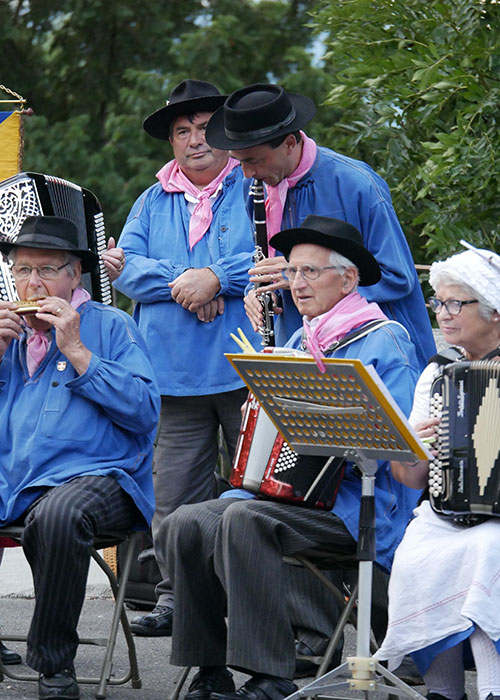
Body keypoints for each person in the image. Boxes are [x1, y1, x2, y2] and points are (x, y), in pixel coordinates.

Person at [157, 215, 422, 700]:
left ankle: (271, 675)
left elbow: (405, 453)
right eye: (293, 272)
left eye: (310, 273)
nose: (296, 284)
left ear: (348, 278)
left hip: (357, 507)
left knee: (244, 518)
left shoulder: (385, 340)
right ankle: (209, 668)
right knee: (185, 521)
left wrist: (342, 423)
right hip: (296, 502)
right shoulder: (301, 340)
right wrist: (265, 410)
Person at [112, 79, 259, 636]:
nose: (195, 140)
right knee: (173, 499)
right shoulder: (151, 199)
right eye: (183, 131)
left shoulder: (253, 187)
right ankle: (178, 599)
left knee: (255, 496)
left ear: (225, 133)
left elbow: (269, 255)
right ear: (171, 143)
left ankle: (252, 604)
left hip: (247, 368)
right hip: (170, 374)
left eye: (204, 128)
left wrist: (218, 276)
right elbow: (124, 267)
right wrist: (191, 282)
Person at [0, 215, 160, 700]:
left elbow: (145, 411)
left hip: (102, 480)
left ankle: (54, 667)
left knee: (59, 514)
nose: (32, 283)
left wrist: (76, 350)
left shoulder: (111, 326)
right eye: (22, 269)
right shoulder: (8, 336)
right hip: (18, 482)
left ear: (75, 275)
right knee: (48, 511)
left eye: (47, 270)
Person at [205, 82, 435, 369]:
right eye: (239, 163)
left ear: (290, 143)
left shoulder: (356, 184)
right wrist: (259, 294)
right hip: (303, 350)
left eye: (254, 161)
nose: (248, 173)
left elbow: (398, 277)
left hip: (377, 355)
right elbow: (271, 267)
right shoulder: (253, 186)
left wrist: (302, 278)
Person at [375, 243, 500, 700]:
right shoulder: (438, 374)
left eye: (454, 303)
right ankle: (443, 693)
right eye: (438, 303)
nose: (442, 314)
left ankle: (492, 690)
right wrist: (412, 446)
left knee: (488, 548)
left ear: (494, 312)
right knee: (415, 557)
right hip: (447, 514)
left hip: (496, 528)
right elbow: (411, 479)